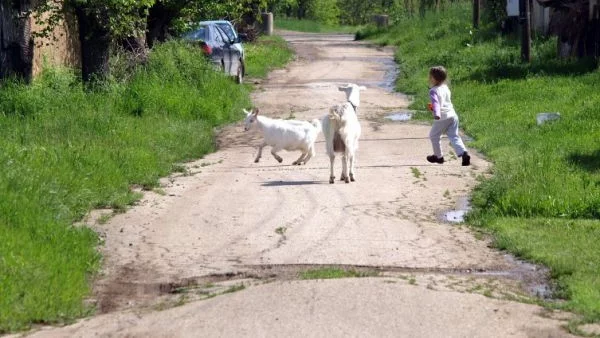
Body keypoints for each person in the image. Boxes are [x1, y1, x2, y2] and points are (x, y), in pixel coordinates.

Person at [426, 66, 471, 166]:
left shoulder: (433, 91)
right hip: (453, 115)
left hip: (443, 117)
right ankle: (464, 153)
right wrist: (434, 108)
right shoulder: (445, 88)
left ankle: (438, 157)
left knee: (434, 136)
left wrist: (436, 113)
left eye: (430, 76)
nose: (429, 78)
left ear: (433, 78)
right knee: (454, 136)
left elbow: (437, 103)